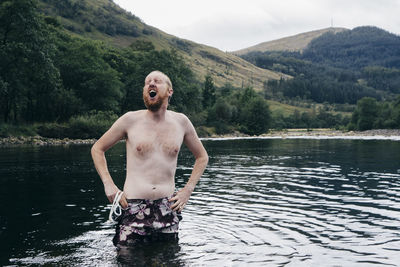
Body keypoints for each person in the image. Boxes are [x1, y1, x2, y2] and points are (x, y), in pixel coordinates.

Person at [91, 70, 208, 247]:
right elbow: (97, 148)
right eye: (147, 82)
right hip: (132, 207)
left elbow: (202, 156)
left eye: (157, 81)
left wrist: (188, 190)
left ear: (170, 91)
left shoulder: (181, 122)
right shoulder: (130, 120)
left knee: (168, 260)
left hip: (167, 208)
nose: (151, 84)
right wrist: (109, 185)